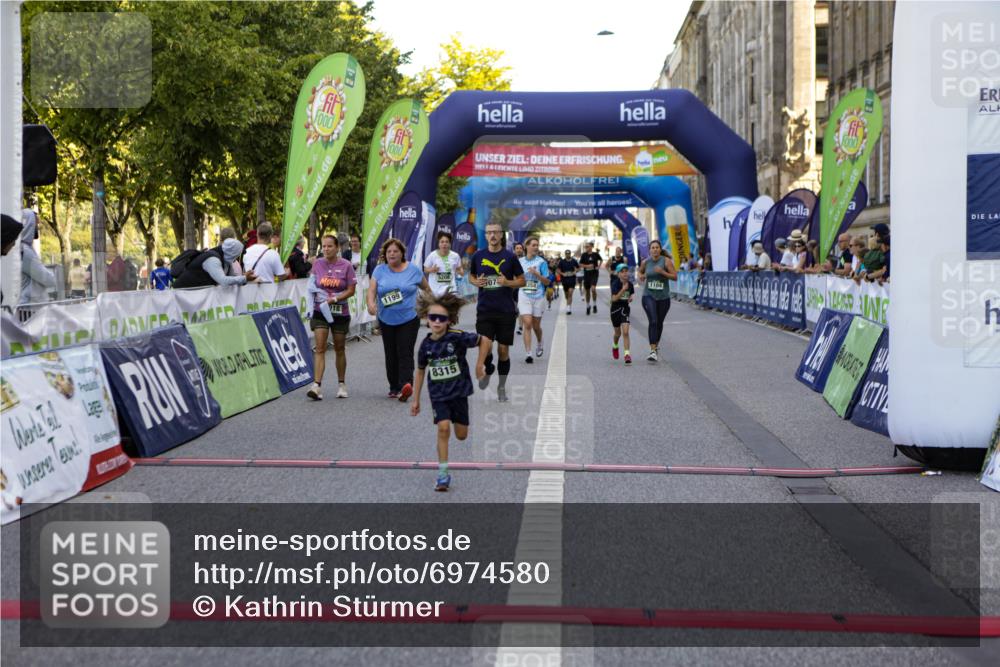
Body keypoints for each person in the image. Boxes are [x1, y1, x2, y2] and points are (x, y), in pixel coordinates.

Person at [411, 291, 491, 492]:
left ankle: (445, 466)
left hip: (459, 392)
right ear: (426, 319)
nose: (437, 322)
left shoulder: (456, 338)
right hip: (438, 395)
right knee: (443, 428)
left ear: (449, 320)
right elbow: (420, 371)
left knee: (461, 435)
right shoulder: (425, 345)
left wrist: (479, 365)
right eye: (433, 318)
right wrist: (416, 399)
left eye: (442, 318)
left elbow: (486, 341)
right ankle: (443, 474)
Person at [470, 221, 525, 402]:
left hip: (505, 311)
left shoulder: (510, 257)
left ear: (501, 235)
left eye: (495, 232)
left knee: (503, 350)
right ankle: (488, 367)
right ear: (485, 236)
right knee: (484, 348)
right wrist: (475, 282)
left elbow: (522, 281)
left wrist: (507, 283)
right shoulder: (478, 256)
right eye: (489, 233)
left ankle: (501, 386)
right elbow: (471, 276)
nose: (492, 236)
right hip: (485, 310)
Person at [367, 238, 429, 401]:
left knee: (405, 351)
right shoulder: (379, 270)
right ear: (385, 255)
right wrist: (371, 304)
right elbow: (371, 290)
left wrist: (431, 308)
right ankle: (394, 386)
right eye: (389, 252)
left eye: (395, 251)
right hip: (386, 318)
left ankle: (406, 385)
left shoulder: (414, 270)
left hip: (409, 318)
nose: (392, 254)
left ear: (402, 253)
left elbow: (427, 289)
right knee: (391, 353)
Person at [308, 235, 356, 401]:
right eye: (324, 246)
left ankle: (341, 384)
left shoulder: (347, 265)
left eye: (330, 246)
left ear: (337, 248)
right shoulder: (318, 263)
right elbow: (311, 285)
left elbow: (351, 290)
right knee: (320, 347)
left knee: (339, 348)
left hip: (339, 310)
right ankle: (316, 386)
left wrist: (335, 299)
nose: (326, 249)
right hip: (320, 309)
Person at [638, 240, 676, 363]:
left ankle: (655, 345)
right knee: (653, 320)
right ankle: (653, 350)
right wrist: (641, 276)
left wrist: (663, 272)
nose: (654, 249)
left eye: (657, 247)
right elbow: (640, 271)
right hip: (648, 295)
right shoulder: (646, 262)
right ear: (649, 250)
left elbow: (675, 277)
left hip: (663, 297)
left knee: (659, 323)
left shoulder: (666, 261)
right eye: (652, 248)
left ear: (660, 249)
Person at [518, 236, 552, 364]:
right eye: (533, 245)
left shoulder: (541, 262)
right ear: (526, 246)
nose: (536, 247)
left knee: (536, 326)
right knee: (527, 323)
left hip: (538, 296)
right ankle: (528, 353)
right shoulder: (520, 261)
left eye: (537, 245)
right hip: (524, 294)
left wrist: (536, 273)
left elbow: (547, 281)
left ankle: (539, 341)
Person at [172, 239, 256, 288]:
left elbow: (232, 277)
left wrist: (247, 279)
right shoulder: (213, 260)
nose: (237, 257)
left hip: (194, 295)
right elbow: (223, 281)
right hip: (182, 294)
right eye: (238, 254)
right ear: (233, 253)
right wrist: (244, 278)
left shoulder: (226, 259)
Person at [18, 211, 56, 304]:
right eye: (36, 224)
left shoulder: (24, 248)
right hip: (29, 306)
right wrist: (53, 278)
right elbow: (47, 279)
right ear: (29, 225)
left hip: (29, 304)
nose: (37, 227)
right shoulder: (24, 251)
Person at [423, 231, 463, 297]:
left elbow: (460, 270)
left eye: (447, 242)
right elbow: (425, 269)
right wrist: (431, 270)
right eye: (442, 242)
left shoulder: (455, 256)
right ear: (439, 244)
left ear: (450, 244)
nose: (444, 244)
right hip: (435, 292)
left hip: (450, 291)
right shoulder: (432, 255)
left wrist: (460, 271)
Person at [609, 263, 634, 365]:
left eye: (626, 271)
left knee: (626, 332)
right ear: (618, 274)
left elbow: (631, 293)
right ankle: (615, 345)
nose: (625, 273)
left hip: (625, 309)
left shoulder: (630, 284)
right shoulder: (615, 284)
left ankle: (627, 354)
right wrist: (623, 290)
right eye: (622, 272)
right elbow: (614, 299)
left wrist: (630, 297)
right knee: (617, 333)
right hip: (615, 310)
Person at [579, 241, 603, 315]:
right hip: (587, 275)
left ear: (591, 247)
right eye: (585, 247)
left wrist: (598, 266)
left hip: (594, 274)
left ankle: (594, 305)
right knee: (587, 291)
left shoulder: (596, 254)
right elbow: (580, 264)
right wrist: (587, 266)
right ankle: (588, 305)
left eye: (587, 246)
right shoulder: (584, 255)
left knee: (593, 289)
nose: (586, 248)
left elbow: (601, 260)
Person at [557, 249, 579, 315]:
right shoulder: (562, 262)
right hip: (564, 279)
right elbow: (558, 269)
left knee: (570, 293)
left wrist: (575, 271)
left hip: (572, 278)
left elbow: (578, 268)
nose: (567, 255)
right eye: (566, 254)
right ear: (565, 254)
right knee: (567, 295)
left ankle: (568, 308)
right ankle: (568, 303)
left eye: (568, 254)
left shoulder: (574, 261)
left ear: (570, 254)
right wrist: (562, 273)